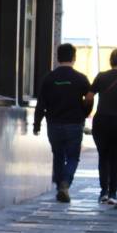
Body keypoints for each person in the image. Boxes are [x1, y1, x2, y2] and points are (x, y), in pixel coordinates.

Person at [33, 43, 92, 203]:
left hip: (54, 124)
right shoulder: (80, 78)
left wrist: (37, 124)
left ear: (58, 57)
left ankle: (60, 185)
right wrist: (84, 113)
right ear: (73, 58)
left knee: (58, 155)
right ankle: (65, 183)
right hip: (74, 123)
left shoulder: (49, 78)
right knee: (73, 157)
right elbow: (89, 97)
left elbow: (41, 103)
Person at [85, 48, 117, 204]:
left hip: (102, 121)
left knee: (104, 156)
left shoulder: (101, 77)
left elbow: (88, 97)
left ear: (111, 61)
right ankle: (114, 194)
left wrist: (86, 110)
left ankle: (104, 192)